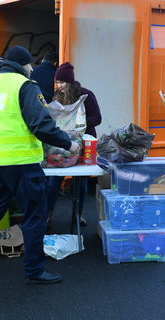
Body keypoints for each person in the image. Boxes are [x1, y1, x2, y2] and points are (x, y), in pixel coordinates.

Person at [0, 46, 80, 284]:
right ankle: (34, 271)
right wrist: (68, 144)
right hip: (24, 164)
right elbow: (41, 125)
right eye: (30, 65)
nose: (32, 69)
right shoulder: (25, 86)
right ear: (22, 65)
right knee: (34, 217)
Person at [46, 62, 102, 227]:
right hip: (63, 144)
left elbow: (97, 118)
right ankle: (48, 214)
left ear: (70, 82)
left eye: (62, 82)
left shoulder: (86, 95)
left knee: (81, 181)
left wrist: (78, 124)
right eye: (58, 82)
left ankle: (78, 215)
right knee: (55, 180)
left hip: (84, 142)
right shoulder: (57, 96)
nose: (60, 86)